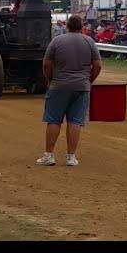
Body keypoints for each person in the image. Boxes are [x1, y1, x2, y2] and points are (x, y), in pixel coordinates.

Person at [36, 14, 102, 167]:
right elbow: (98, 65)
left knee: (53, 120)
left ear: (67, 26)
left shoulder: (57, 41)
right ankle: (71, 157)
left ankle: (49, 155)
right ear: (82, 26)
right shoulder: (89, 41)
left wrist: (49, 80)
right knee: (75, 121)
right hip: (82, 87)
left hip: (59, 85)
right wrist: (88, 81)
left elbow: (46, 64)